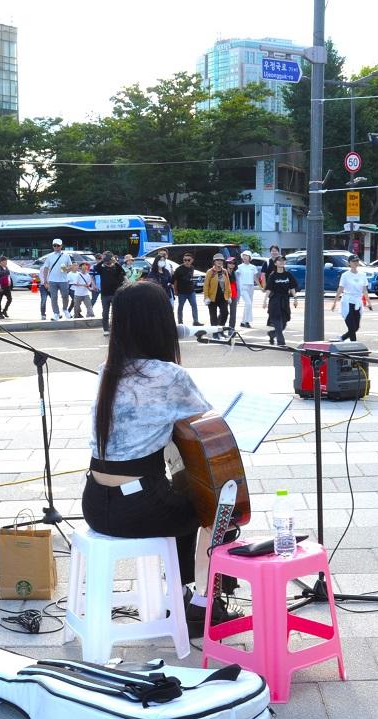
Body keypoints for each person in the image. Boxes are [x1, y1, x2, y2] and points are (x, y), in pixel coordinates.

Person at [84, 281, 238, 637]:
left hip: (95, 501)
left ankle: (181, 594)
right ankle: (204, 604)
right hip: (137, 508)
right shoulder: (169, 375)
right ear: (159, 324)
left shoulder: (107, 370)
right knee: (218, 508)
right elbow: (209, 424)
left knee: (178, 501)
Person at [331, 255, 372, 341]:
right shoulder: (345, 275)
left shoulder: (362, 275)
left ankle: (342, 338)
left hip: (358, 302)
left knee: (356, 327)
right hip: (347, 301)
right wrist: (335, 302)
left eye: (357, 261)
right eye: (353, 261)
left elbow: (364, 290)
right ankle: (353, 344)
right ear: (349, 263)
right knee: (352, 327)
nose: (356, 263)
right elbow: (340, 288)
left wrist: (369, 302)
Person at [263, 255, 299, 346]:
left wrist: (295, 298)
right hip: (275, 300)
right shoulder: (273, 275)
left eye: (283, 260)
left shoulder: (288, 275)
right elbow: (269, 289)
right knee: (277, 321)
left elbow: (292, 287)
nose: (282, 262)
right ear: (275, 263)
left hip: (285, 300)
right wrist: (265, 301)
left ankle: (272, 334)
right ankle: (281, 342)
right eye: (279, 260)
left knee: (283, 324)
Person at [40, 239, 72, 320]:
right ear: (53, 246)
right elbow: (46, 268)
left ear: (61, 246)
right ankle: (56, 313)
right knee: (54, 297)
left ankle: (65, 309)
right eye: (55, 245)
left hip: (63, 280)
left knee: (65, 296)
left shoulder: (66, 256)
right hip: (52, 280)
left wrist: (66, 269)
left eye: (58, 245)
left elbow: (70, 266)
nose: (56, 247)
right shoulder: (50, 256)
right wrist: (45, 281)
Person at [97, 251, 125, 334]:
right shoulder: (102, 268)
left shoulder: (116, 268)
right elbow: (96, 268)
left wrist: (115, 262)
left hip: (115, 293)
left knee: (116, 312)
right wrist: (103, 259)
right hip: (105, 294)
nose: (108, 261)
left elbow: (122, 271)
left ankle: (116, 328)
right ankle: (106, 329)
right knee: (105, 312)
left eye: (108, 258)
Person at [203, 255, 231, 326]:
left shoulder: (224, 271)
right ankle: (215, 334)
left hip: (223, 297)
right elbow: (206, 285)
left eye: (221, 260)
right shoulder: (210, 272)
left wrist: (229, 296)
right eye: (217, 260)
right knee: (213, 317)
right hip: (212, 298)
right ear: (214, 262)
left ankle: (220, 330)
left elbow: (227, 284)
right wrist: (206, 297)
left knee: (225, 313)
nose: (219, 262)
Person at [173, 254, 200, 326]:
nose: (186, 261)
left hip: (191, 291)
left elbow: (191, 277)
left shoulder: (192, 267)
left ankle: (196, 321)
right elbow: (175, 280)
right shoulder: (179, 269)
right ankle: (180, 322)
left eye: (188, 260)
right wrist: (175, 291)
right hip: (182, 292)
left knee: (194, 305)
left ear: (192, 260)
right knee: (180, 306)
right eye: (185, 260)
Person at [234, 252, 257, 328]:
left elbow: (255, 278)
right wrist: (237, 288)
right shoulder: (239, 267)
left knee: (248, 305)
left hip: (251, 287)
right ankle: (247, 321)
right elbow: (236, 278)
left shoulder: (253, 267)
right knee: (248, 303)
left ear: (250, 257)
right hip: (243, 287)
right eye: (243, 256)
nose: (245, 257)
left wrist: (261, 287)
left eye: (246, 256)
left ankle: (243, 322)